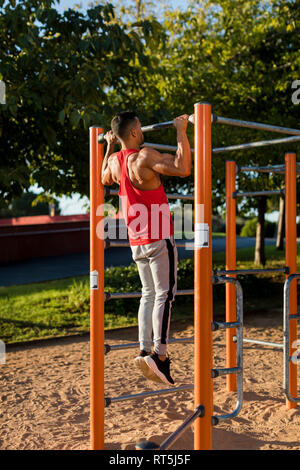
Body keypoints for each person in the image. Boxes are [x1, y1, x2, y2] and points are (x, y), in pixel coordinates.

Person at [101, 111, 191, 386]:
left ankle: (143, 350)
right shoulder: (145, 156)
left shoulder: (116, 163)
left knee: (148, 294)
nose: (142, 131)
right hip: (159, 236)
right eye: (139, 128)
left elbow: (102, 178)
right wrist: (181, 131)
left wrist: (108, 146)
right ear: (133, 134)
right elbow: (183, 167)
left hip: (136, 240)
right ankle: (160, 356)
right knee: (165, 294)